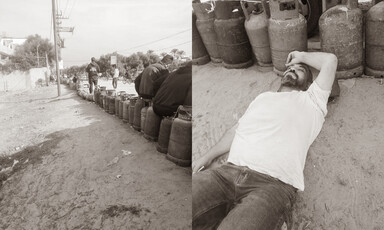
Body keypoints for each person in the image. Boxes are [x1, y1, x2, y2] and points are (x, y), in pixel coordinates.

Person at [192, 51, 338, 230]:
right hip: (225, 174)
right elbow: (236, 131)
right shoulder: (262, 98)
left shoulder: (312, 101)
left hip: (272, 186)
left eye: (299, 70)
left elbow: (330, 60)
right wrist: (206, 157)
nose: (291, 70)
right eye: (290, 68)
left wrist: (300, 57)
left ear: (308, 83)